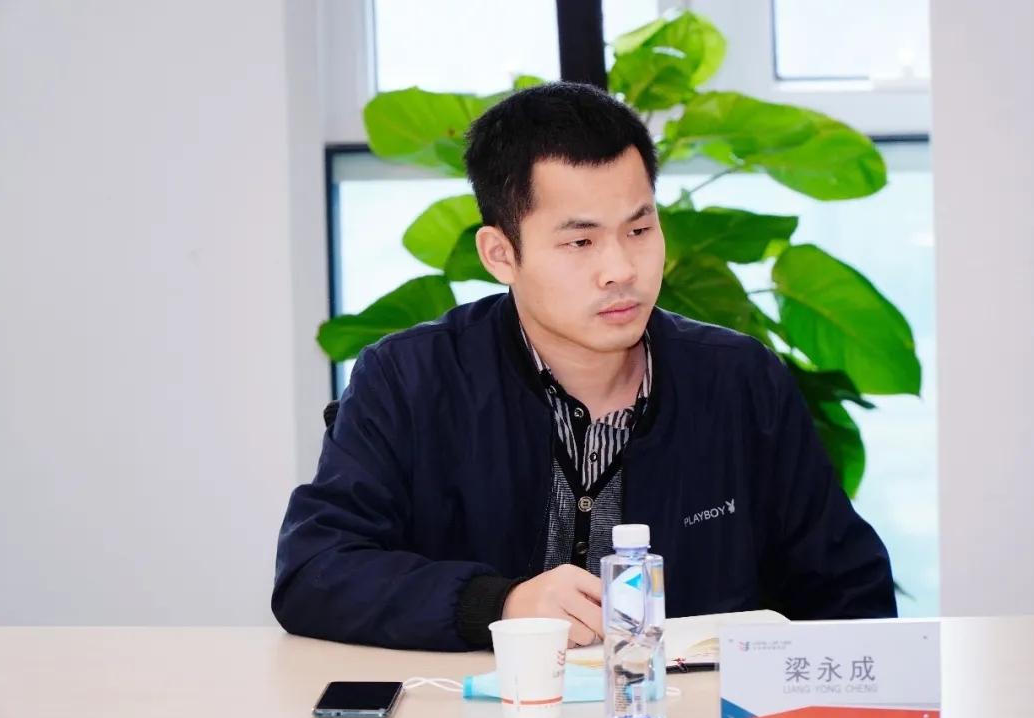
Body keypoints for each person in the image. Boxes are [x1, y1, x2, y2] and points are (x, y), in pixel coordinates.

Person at [271, 82, 896, 652]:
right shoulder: (410, 379)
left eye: (639, 230)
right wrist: (499, 605)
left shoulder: (739, 382)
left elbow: (848, 592)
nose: (620, 269)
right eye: (580, 241)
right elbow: (315, 569)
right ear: (500, 254)